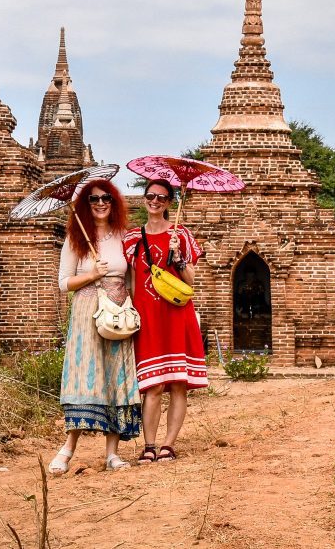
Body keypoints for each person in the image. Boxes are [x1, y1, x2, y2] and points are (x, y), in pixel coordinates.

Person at [48, 179, 141, 474]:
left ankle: (112, 453)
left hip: (117, 309)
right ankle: (67, 449)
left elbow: (131, 278)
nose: (100, 204)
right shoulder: (76, 238)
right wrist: (90, 274)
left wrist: (133, 307)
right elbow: (64, 284)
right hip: (88, 310)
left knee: (117, 375)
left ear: (114, 203)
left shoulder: (122, 237)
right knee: (86, 375)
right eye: (93, 200)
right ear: (85, 206)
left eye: (106, 199)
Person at [123, 179, 208, 463]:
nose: (155, 201)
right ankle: (149, 444)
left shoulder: (181, 234)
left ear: (170, 202)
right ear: (144, 200)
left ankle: (168, 445)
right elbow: (132, 281)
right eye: (150, 196)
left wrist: (179, 258)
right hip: (147, 316)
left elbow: (193, 281)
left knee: (177, 384)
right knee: (153, 385)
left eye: (161, 197)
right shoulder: (133, 238)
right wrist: (132, 312)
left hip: (177, 314)